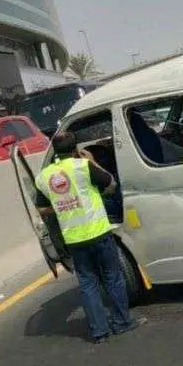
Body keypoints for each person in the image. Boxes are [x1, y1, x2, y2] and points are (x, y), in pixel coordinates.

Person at [34, 131, 146, 344]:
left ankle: (99, 332)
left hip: (74, 239)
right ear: (75, 148)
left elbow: (42, 209)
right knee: (112, 278)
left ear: (55, 150)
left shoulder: (44, 177)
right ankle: (122, 322)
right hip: (99, 233)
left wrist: (62, 204)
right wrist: (94, 162)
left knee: (88, 284)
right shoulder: (84, 166)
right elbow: (111, 185)